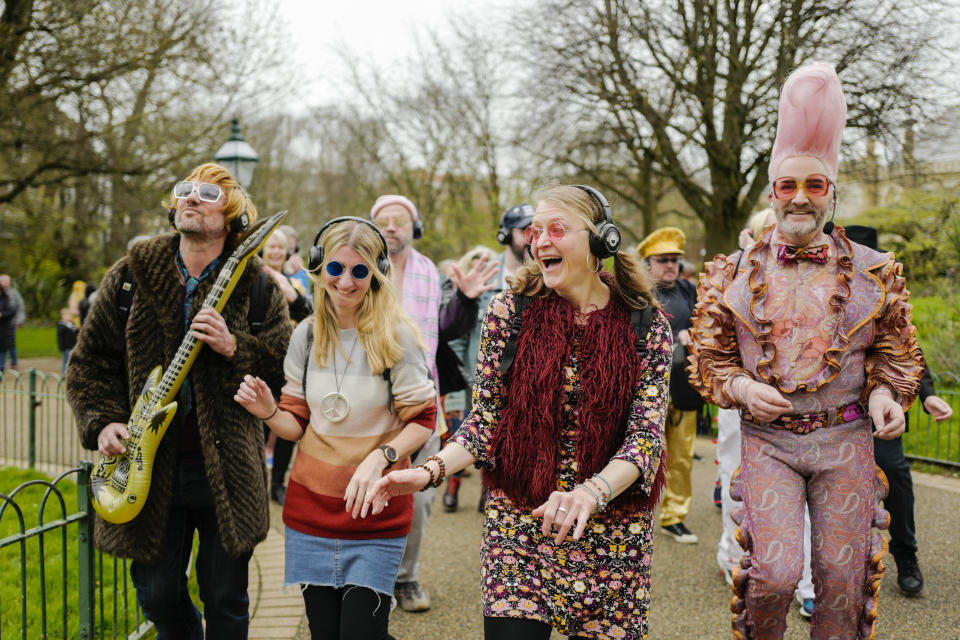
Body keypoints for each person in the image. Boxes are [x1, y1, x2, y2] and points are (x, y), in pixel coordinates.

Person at [365, 184, 671, 640]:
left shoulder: (646, 323)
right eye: (535, 231)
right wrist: (427, 472)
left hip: (613, 533)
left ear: (600, 240)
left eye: (556, 229)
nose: (540, 240)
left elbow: (644, 437)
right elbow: (487, 419)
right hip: (520, 527)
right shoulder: (511, 312)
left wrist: (590, 493)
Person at [688, 63, 925, 639]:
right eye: (787, 186)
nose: (799, 198)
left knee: (842, 585)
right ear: (772, 193)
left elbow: (895, 351)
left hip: (846, 443)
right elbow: (708, 357)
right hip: (770, 444)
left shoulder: (874, 274)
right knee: (774, 575)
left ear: (831, 194)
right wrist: (742, 387)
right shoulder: (732, 274)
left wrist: (887, 395)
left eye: (813, 185)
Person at [67, 162, 292, 640]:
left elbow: (285, 369)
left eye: (207, 192)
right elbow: (89, 364)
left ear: (231, 214)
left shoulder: (256, 286)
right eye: (184, 190)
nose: (191, 197)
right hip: (149, 468)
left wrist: (237, 348)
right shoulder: (131, 275)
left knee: (226, 601)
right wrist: (103, 422)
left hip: (227, 470)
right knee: (158, 595)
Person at [235, 216, 437, 640]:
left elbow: (423, 419)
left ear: (376, 275)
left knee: (362, 634)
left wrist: (381, 458)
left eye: (360, 271)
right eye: (336, 268)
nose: (346, 281)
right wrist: (270, 411)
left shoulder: (395, 336)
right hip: (311, 516)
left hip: (374, 515)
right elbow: (296, 425)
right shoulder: (305, 336)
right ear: (318, 267)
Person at [370, 193, 497, 612]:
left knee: (419, 499)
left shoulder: (430, 272)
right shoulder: (358, 268)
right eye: (383, 220)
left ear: (414, 227)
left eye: (399, 220)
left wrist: (465, 299)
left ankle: (406, 579)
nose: (391, 226)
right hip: (367, 402)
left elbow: (449, 327)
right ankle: (372, 585)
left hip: (422, 401)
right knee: (366, 489)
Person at [714, 209, 816, 618]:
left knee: (807, 498)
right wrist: (741, 386)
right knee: (734, 478)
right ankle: (734, 555)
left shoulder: (815, 281)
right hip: (741, 403)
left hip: (801, 413)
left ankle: (807, 582)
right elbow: (715, 351)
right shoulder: (734, 278)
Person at [843, 224, 954, 596]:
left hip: (879, 411)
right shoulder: (823, 293)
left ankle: (906, 555)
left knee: (895, 475)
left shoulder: (886, 296)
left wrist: (927, 395)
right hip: (829, 416)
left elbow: (906, 350)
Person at [637, 227, 701, 544]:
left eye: (675, 260)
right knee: (641, 452)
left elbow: (703, 325)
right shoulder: (636, 294)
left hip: (683, 384)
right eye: (663, 260)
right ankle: (635, 513)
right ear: (648, 262)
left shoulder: (689, 290)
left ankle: (674, 516)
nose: (670, 266)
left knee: (682, 455)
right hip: (646, 387)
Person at [260, 227, 314, 505]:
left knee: (288, 421)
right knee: (258, 420)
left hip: (290, 363)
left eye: (281, 248)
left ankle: (278, 482)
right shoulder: (253, 278)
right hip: (258, 360)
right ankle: (255, 479)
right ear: (263, 251)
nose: (276, 252)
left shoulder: (297, 284)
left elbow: (309, 314)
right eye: (271, 248)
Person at [277, 223, 312, 300]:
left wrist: (292, 274)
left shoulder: (299, 271)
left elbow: (306, 301)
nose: (287, 253)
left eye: (291, 249)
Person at [0, 274, 25, 371]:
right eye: (5, 282)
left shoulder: (14, 293)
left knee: (11, 344)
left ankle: (14, 363)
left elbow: (20, 307)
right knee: (2, 346)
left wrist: (19, 320)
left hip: (11, 323)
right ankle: (2, 365)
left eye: (8, 282)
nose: (7, 284)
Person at [56, 307, 79, 374]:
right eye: (67, 315)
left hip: (73, 345)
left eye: (70, 315)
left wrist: (76, 330)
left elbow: (76, 332)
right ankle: (64, 372)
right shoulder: (62, 326)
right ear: (63, 316)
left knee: (73, 359)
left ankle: (72, 372)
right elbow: (60, 337)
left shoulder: (72, 325)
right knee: (66, 360)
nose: (69, 317)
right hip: (66, 347)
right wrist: (61, 346)